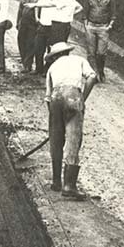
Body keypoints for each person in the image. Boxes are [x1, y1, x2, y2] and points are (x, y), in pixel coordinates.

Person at [44, 42, 97, 200]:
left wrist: (55, 119)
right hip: (73, 97)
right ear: (67, 52)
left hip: (55, 98)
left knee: (56, 140)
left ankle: (56, 182)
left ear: (55, 56)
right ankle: (69, 185)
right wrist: (82, 98)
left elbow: (48, 97)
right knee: (73, 139)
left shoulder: (52, 68)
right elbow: (92, 77)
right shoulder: (79, 60)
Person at [84, 0, 116, 82]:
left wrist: (109, 26)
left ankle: (101, 71)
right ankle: (93, 75)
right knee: (91, 52)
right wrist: (86, 25)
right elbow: (86, 14)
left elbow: (113, 14)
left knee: (101, 52)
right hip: (91, 27)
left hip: (103, 27)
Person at [17, 0, 44, 73]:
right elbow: (20, 8)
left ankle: (28, 65)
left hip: (33, 23)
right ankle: (25, 64)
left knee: (30, 44)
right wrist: (18, 22)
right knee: (21, 42)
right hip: (23, 22)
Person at [30, 0, 57, 74]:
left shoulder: (60, 0)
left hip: (53, 27)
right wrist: (37, 17)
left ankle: (47, 70)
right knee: (38, 48)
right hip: (42, 25)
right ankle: (38, 68)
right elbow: (37, 6)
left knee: (51, 51)